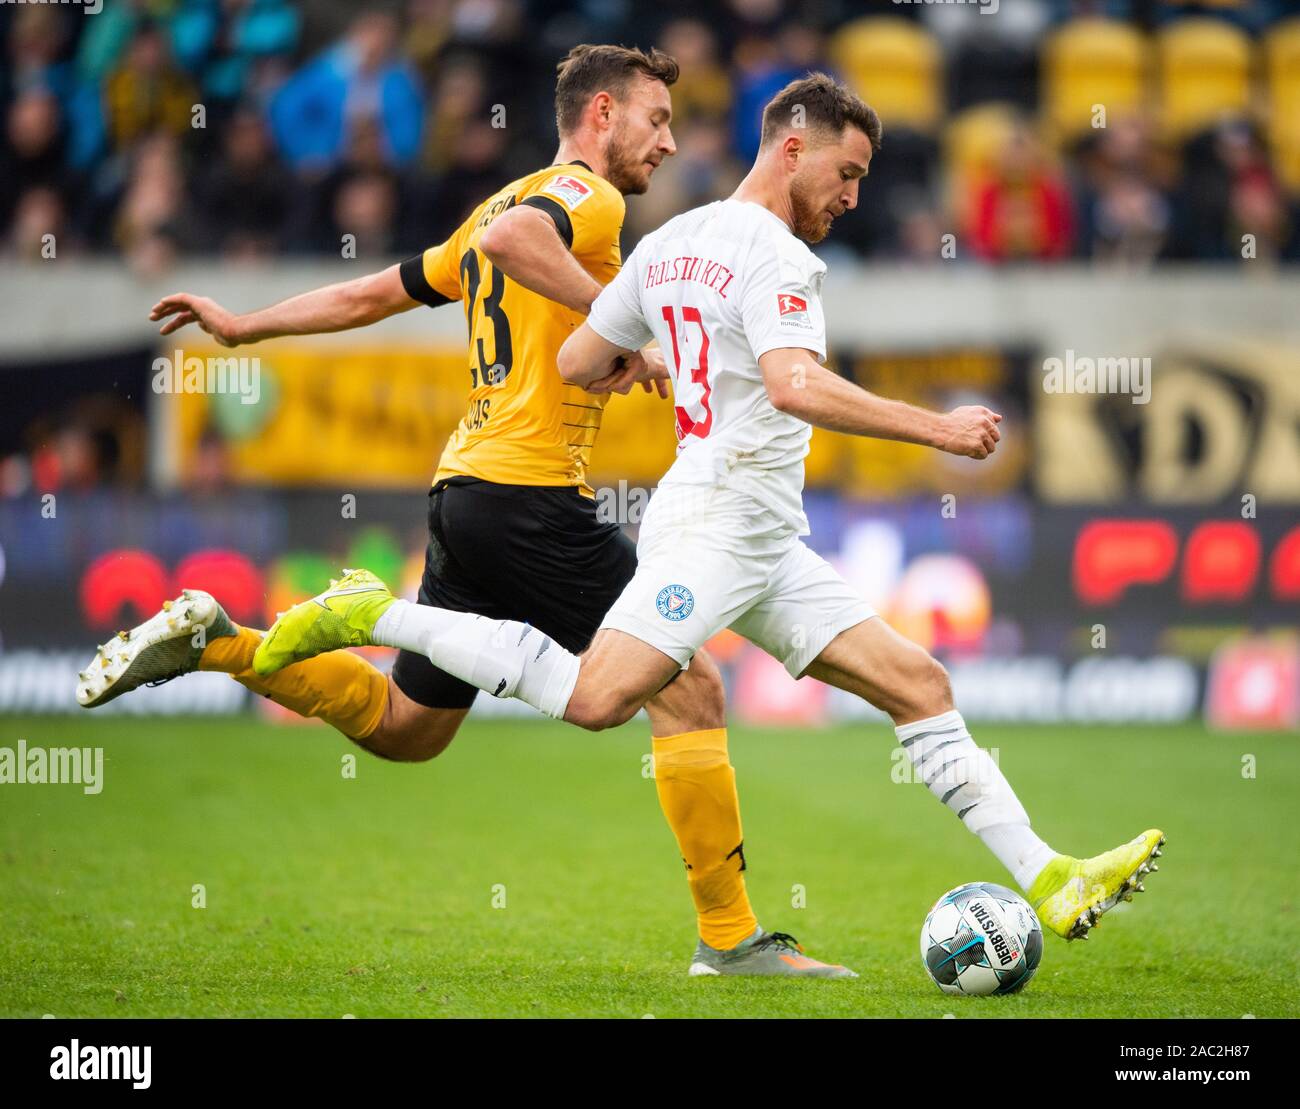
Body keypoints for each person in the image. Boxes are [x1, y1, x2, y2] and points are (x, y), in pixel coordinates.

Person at [255, 73, 1165, 946]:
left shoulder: (671, 240)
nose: (851, 197)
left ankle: (1049, 876)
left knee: (919, 683)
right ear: (793, 147)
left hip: (763, 532)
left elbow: (575, 361)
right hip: (716, 526)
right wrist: (937, 429)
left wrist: (648, 353)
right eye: (844, 174)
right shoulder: (778, 256)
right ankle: (378, 613)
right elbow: (794, 383)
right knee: (600, 699)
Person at [77, 46, 852, 979]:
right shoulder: (583, 199)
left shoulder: (497, 198)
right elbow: (514, 245)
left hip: (465, 495)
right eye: (657, 121)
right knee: (687, 690)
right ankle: (730, 939)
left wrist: (246, 326)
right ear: (600, 113)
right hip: (528, 496)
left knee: (408, 727)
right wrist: (625, 323)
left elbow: (374, 292)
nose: (669, 142)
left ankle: (221, 642)